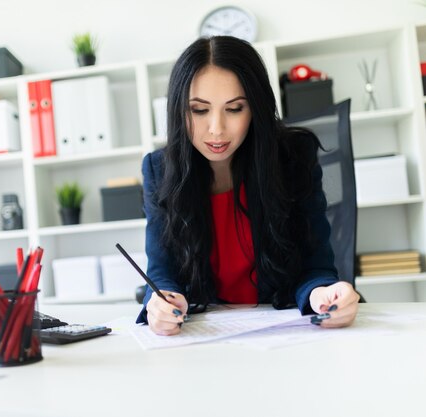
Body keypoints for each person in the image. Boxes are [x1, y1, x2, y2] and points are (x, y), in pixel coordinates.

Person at [138, 35, 359, 336]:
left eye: (235, 108)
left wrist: (320, 294)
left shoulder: (292, 160)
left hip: (286, 332)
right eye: (199, 110)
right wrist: (161, 302)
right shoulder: (159, 170)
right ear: (179, 111)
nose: (216, 129)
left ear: (255, 108)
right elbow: (161, 274)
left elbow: (316, 266)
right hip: (206, 338)